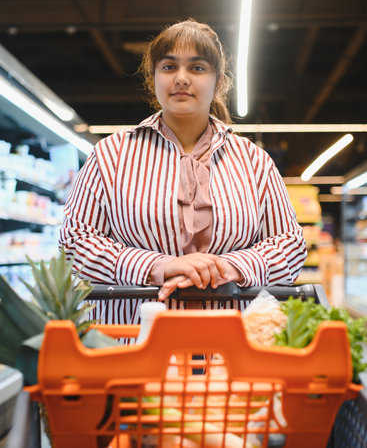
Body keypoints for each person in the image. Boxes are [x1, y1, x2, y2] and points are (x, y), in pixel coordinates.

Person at [59, 19, 307, 325]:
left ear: (219, 81)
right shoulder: (111, 155)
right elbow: (75, 241)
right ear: (153, 79)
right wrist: (158, 266)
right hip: (132, 341)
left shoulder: (254, 162)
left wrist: (230, 267)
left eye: (197, 68)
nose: (181, 78)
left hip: (233, 347)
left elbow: (290, 244)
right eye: (169, 67)